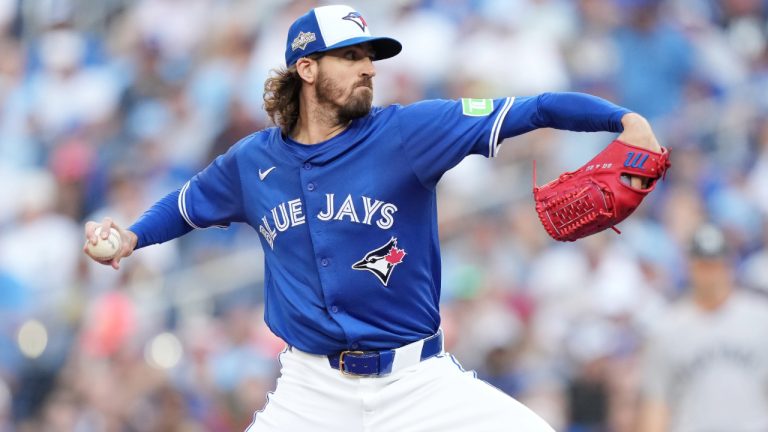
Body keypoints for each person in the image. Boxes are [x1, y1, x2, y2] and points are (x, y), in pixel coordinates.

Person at [84, 5, 662, 431]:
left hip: (419, 384)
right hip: (310, 392)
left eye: (371, 57)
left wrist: (622, 119)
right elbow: (184, 207)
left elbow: (530, 108)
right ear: (306, 69)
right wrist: (132, 235)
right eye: (352, 56)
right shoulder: (251, 162)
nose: (369, 68)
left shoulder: (408, 131)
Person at [636, 224, 768, 432]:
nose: (711, 274)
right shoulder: (667, 328)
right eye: (703, 265)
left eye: (716, 264)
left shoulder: (761, 318)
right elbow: (656, 404)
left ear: (730, 265)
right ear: (689, 266)